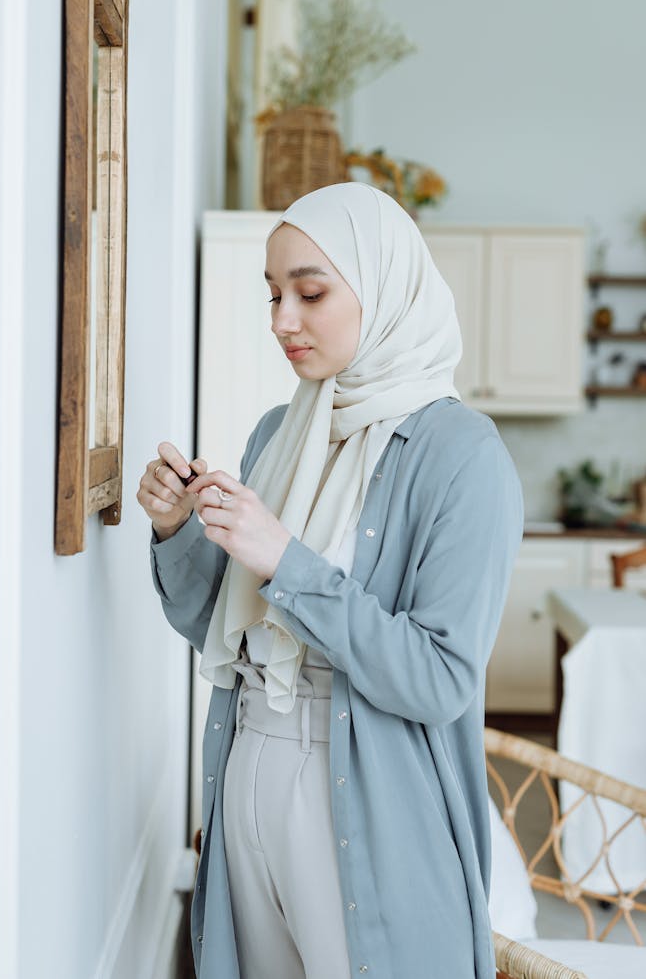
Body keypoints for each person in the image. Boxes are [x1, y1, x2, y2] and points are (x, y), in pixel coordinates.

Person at [138, 182, 524, 979]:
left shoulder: (462, 455)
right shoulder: (278, 433)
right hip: (247, 767)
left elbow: (440, 676)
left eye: (310, 292)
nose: (283, 319)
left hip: (366, 796)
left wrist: (287, 560)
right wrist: (177, 528)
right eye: (274, 294)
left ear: (382, 288)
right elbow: (224, 623)